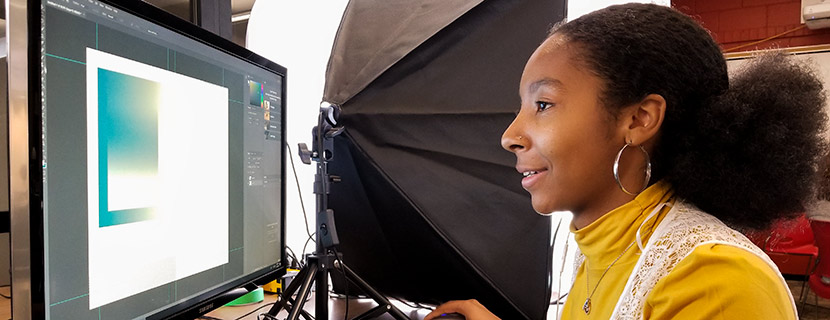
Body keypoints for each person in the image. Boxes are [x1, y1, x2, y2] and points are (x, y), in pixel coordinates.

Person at [426, 3, 827, 320]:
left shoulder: (715, 283)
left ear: (639, 120)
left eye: (543, 104)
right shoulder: (603, 248)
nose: (510, 136)